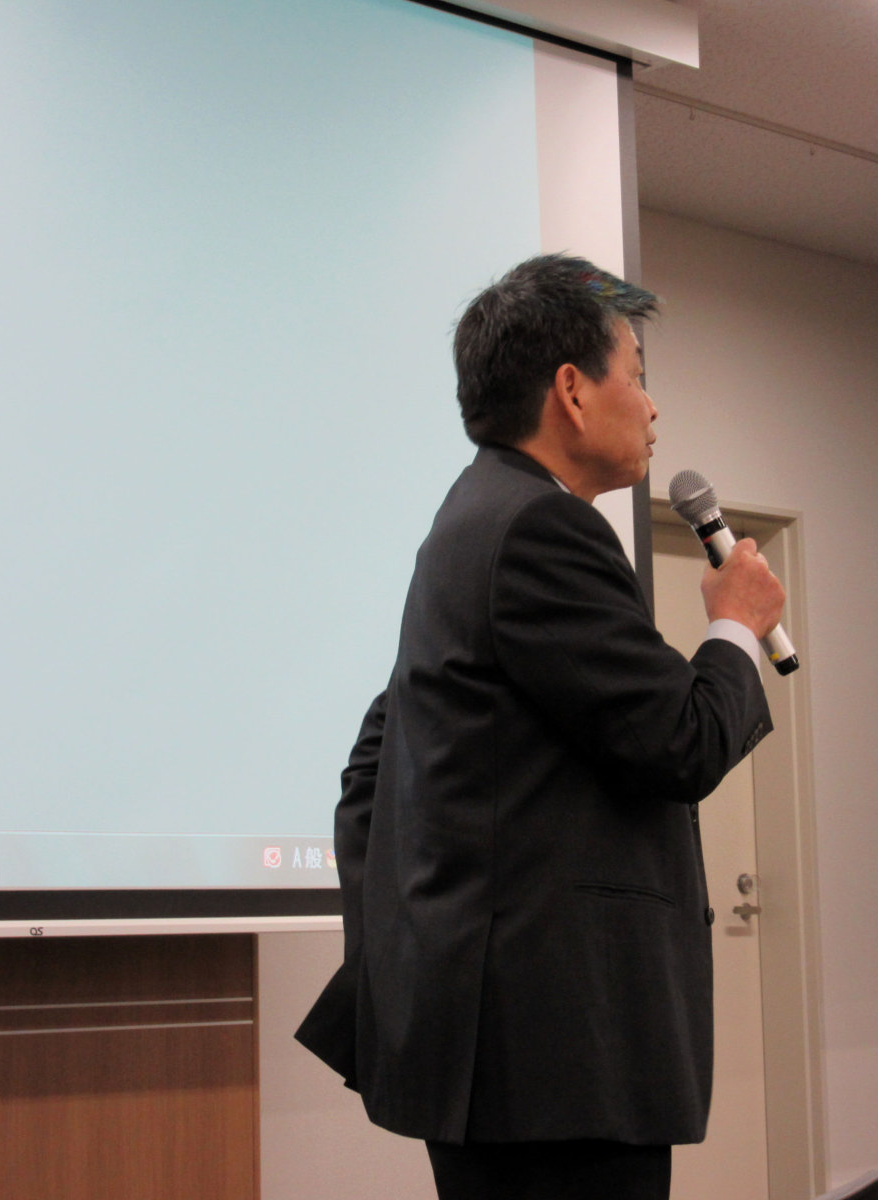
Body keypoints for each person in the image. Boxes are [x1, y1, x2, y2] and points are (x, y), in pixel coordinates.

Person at [296, 253, 787, 1200]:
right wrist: (736, 625)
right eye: (637, 374)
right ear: (571, 390)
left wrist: (413, 955)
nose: (653, 407)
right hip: (556, 1056)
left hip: (503, 1054)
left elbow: (370, 775)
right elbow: (683, 742)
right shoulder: (540, 529)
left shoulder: (466, 523)